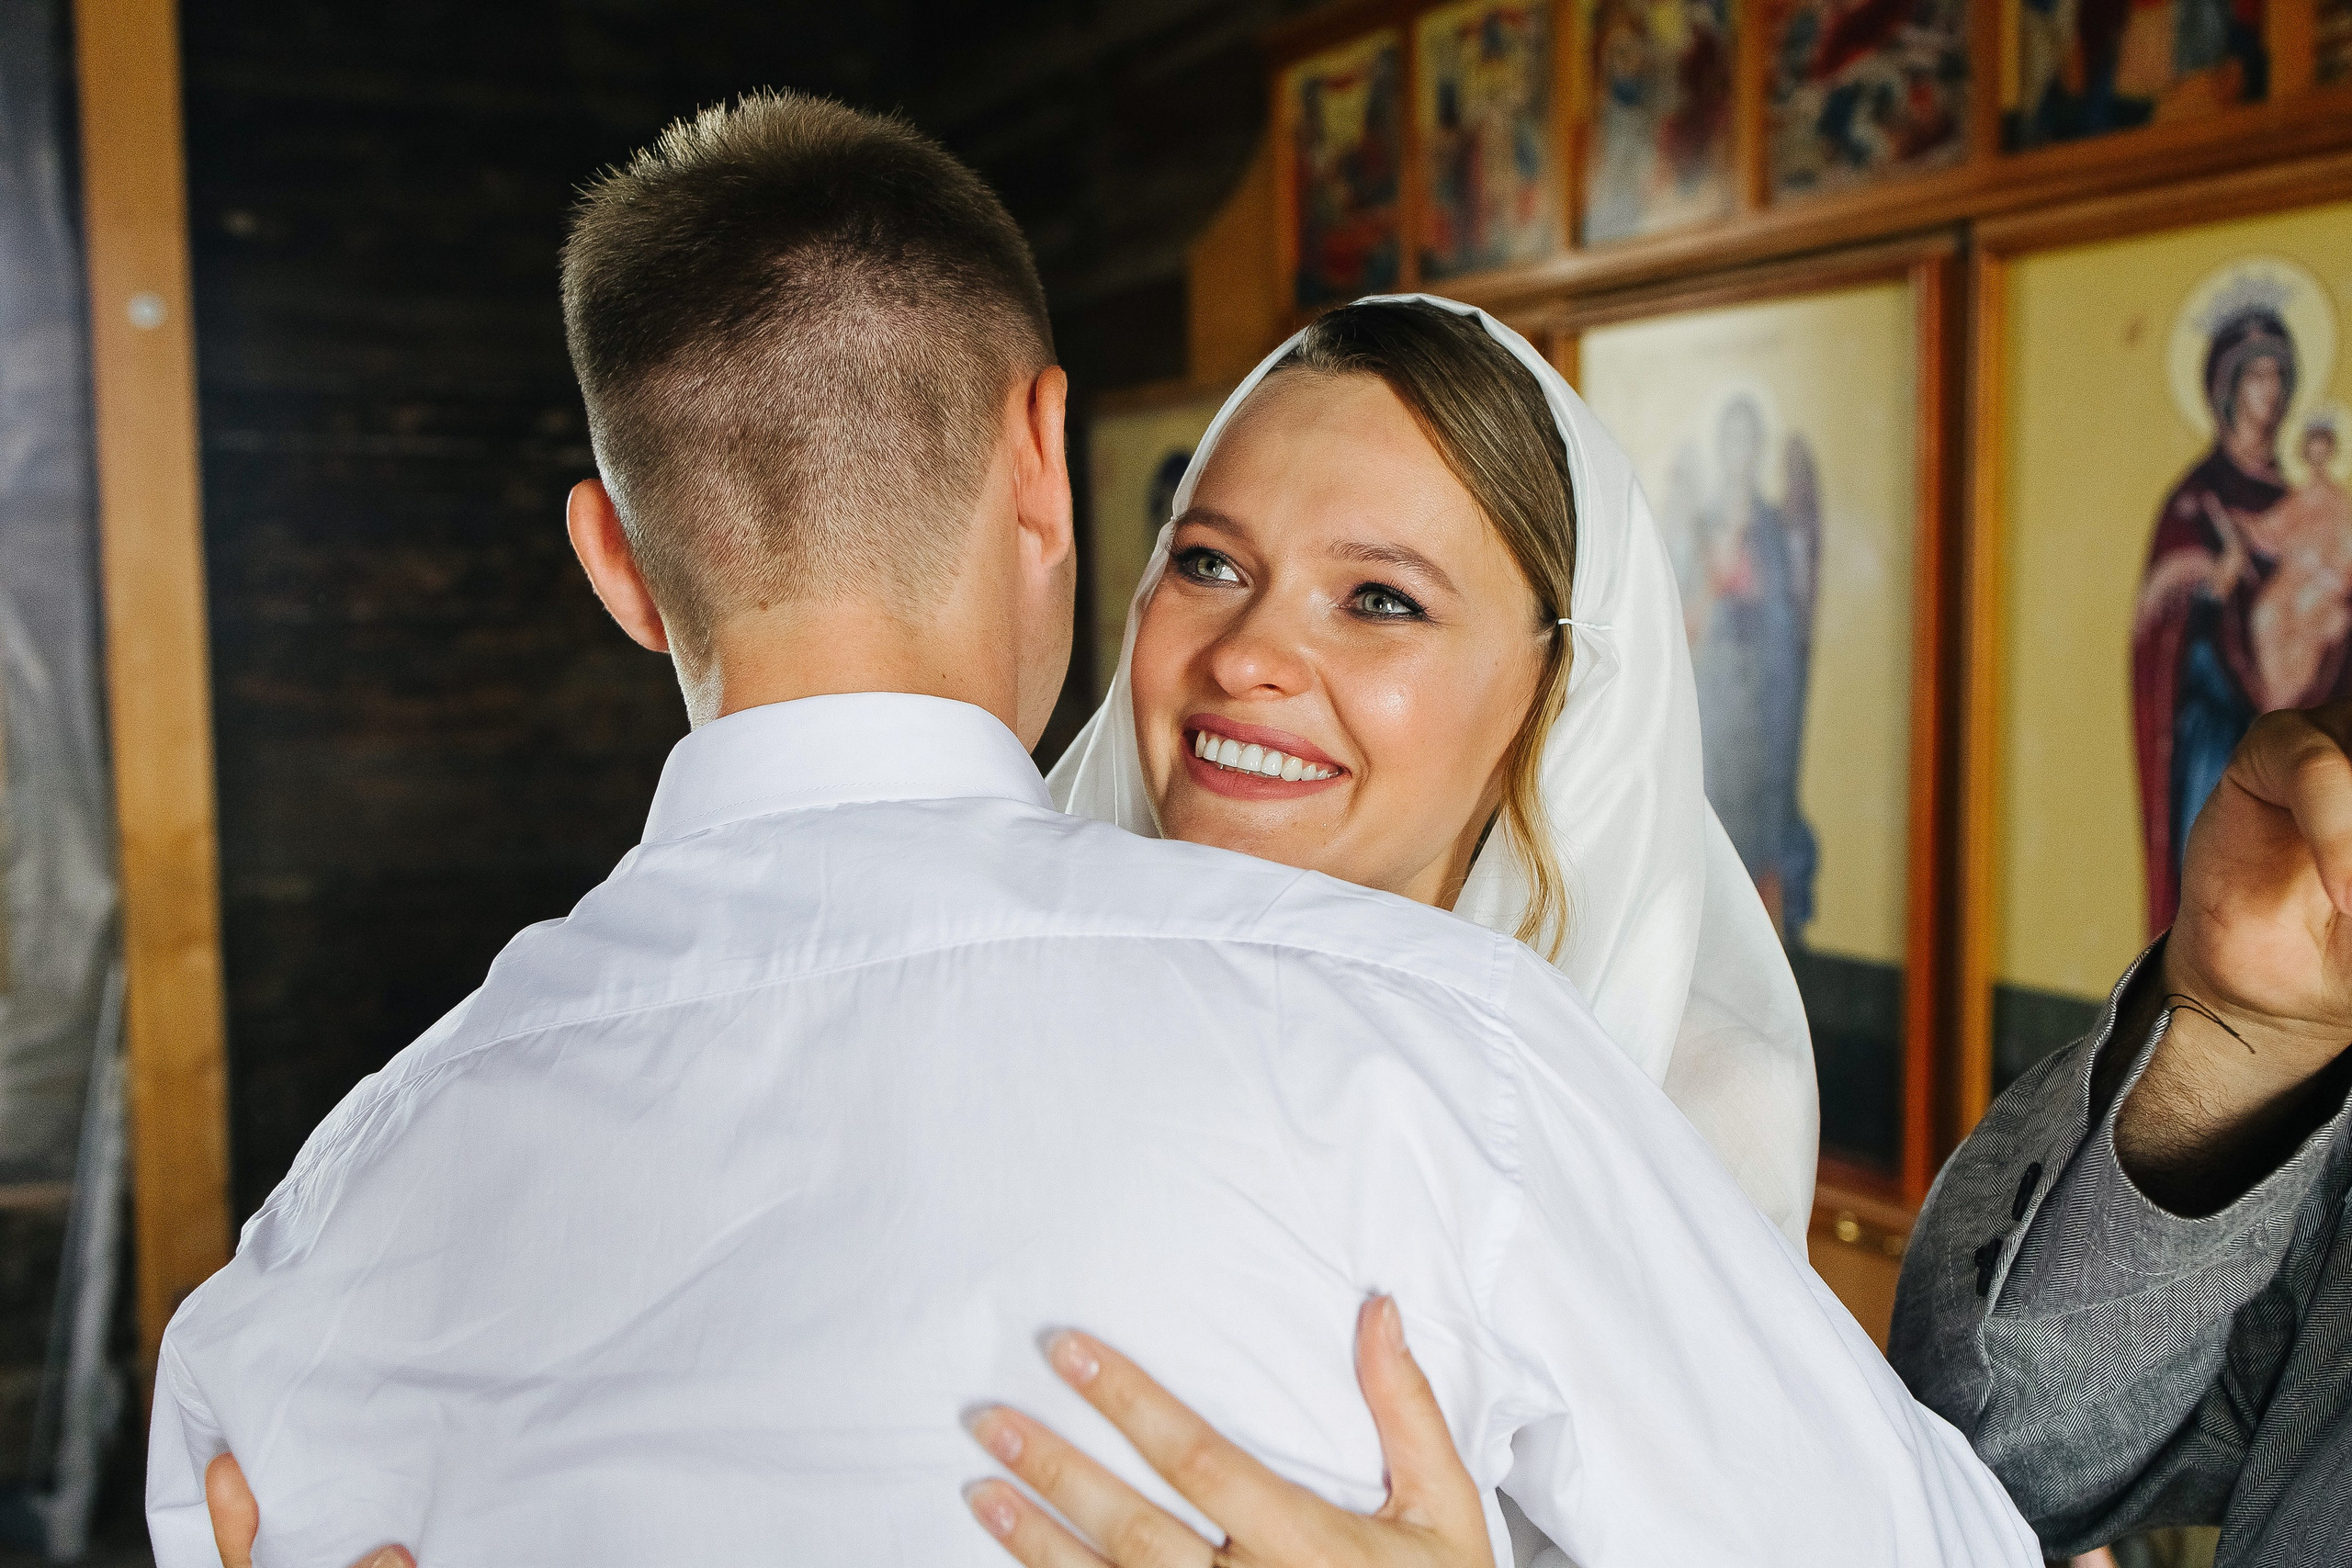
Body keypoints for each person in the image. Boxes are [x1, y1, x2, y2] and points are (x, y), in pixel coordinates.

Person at [159, 92, 2035, 1567]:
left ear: (615, 561)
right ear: (1049, 471)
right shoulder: (1439, 1068)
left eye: (1382, 599)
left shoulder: (325, 1228)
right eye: (1206, 560)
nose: (1253, 657)